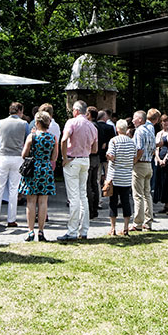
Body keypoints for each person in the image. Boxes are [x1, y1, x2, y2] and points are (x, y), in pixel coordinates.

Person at [58, 100, 97, 242]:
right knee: (83, 196)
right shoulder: (92, 127)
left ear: (76, 110)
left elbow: (64, 140)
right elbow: (95, 149)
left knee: (73, 197)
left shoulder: (72, 122)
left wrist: (64, 157)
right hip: (85, 160)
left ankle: (72, 231)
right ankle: (84, 230)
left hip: (72, 159)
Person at [18, 110, 58, 242]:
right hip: (46, 169)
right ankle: (41, 231)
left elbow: (24, 155)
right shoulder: (53, 138)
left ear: (37, 122)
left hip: (33, 168)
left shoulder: (32, 137)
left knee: (31, 201)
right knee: (43, 202)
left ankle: (30, 232)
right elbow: (54, 157)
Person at [0, 102, 29, 229]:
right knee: (14, 189)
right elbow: (28, 140)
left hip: (3, 156)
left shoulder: (0, 123)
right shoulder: (24, 124)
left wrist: (1, 148)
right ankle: (11, 219)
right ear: (19, 111)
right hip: (18, 157)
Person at [105, 120, 136, 236]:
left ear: (117, 129)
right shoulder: (131, 142)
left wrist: (107, 156)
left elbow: (111, 156)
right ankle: (126, 227)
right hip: (127, 177)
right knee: (126, 202)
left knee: (113, 202)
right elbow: (134, 157)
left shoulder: (113, 141)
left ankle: (112, 228)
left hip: (115, 176)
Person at [130, 109, 156, 231]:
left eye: (135, 118)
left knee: (138, 195)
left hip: (140, 165)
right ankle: (148, 221)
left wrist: (134, 161)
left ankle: (138, 223)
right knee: (147, 194)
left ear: (140, 119)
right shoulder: (150, 130)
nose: (133, 120)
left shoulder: (139, 131)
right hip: (148, 164)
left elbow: (139, 149)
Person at [153, 114, 168, 216]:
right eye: (163, 121)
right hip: (159, 160)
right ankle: (165, 205)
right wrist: (158, 159)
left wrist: (165, 159)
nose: (165, 123)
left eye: (167, 121)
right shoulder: (159, 134)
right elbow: (156, 148)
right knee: (161, 182)